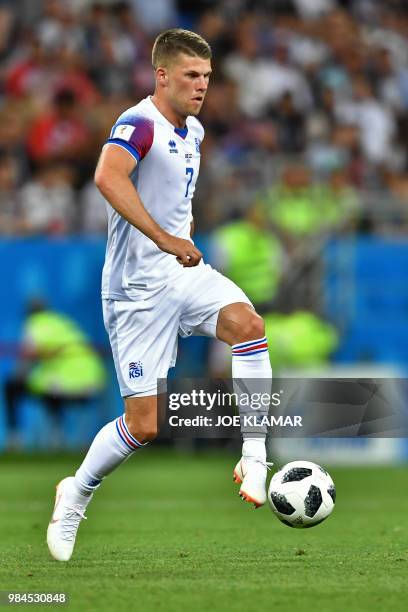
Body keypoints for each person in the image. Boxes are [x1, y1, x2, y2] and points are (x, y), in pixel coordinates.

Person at [47, 29, 273, 562]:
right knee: (144, 425)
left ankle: (255, 455)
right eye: (191, 76)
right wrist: (165, 238)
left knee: (249, 326)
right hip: (135, 291)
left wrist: (178, 241)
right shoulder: (138, 122)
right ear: (162, 74)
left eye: (207, 78)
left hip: (183, 273)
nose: (201, 87)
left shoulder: (192, 129)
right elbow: (107, 175)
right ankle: (76, 492)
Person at [4, 299, 106, 447]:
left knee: (13, 386)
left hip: (64, 382)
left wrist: (18, 375)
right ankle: (57, 435)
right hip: (93, 380)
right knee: (48, 387)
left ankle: (15, 437)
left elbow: (29, 355)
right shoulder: (62, 322)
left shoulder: (35, 323)